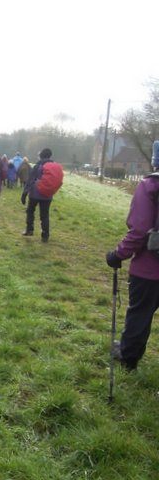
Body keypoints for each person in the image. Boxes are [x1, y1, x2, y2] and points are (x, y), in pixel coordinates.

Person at [106, 141, 159, 371]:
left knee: (140, 312)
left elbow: (139, 231)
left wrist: (118, 254)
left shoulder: (151, 185)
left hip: (150, 267)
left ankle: (129, 357)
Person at [21, 148, 63, 242]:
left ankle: (29, 230)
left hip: (35, 194)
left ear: (41, 156)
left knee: (30, 211)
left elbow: (30, 180)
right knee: (44, 215)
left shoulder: (38, 166)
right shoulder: (54, 166)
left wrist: (24, 193)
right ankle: (45, 235)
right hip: (47, 195)